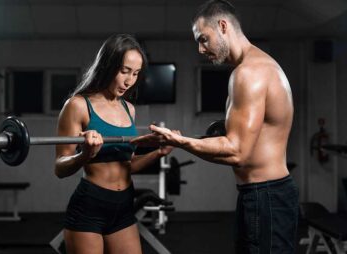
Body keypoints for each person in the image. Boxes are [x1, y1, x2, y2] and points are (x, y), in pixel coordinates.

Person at [131, 1, 299, 253]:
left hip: (265, 196)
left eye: (203, 39)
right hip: (262, 193)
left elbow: (236, 151)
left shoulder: (248, 73)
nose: (200, 49)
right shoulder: (261, 67)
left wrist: (180, 142)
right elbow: (246, 141)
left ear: (223, 26)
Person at [54, 34, 173, 254]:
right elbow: (60, 167)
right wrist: (85, 155)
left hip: (124, 206)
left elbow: (127, 165)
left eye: (136, 73)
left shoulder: (129, 109)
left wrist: (159, 152)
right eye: (124, 71)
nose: (129, 81)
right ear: (107, 66)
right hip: (90, 206)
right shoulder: (78, 105)